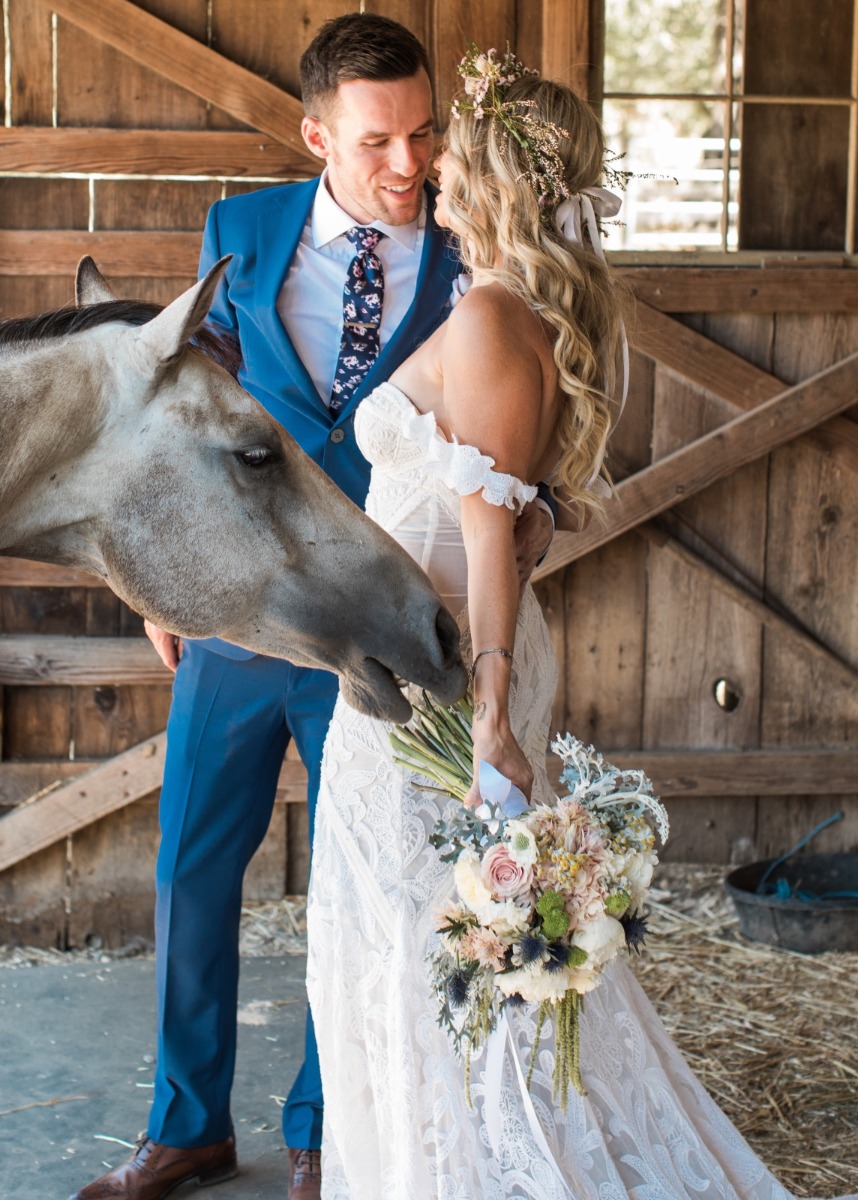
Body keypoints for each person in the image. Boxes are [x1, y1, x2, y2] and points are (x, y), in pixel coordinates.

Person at [304, 49, 858, 1200]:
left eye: (449, 154)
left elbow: (485, 541)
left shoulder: (485, 319)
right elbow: (522, 520)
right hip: (447, 667)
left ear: (489, 176)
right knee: (442, 958)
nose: (429, 171)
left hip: (435, 695)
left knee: (421, 962)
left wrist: (487, 715)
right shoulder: (521, 315)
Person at [70, 17, 554, 1200]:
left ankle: (327, 1133)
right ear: (315, 133)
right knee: (192, 862)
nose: (410, 163)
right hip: (242, 614)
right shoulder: (239, 233)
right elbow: (176, 418)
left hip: (392, 621)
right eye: (379, 138)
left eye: (425, 132)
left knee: (366, 883)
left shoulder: (473, 250)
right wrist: (152, 578)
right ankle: (185, 1123)